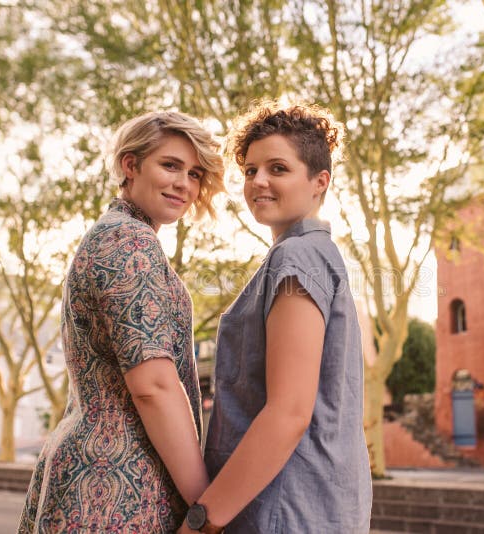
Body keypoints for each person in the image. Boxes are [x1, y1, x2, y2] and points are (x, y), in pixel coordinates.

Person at [17, 110, 225, 533]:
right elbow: (153, 386)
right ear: (130, 166)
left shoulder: (114, 234)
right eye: (170, 165)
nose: (184, 184)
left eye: (195, 174)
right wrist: (206, 513)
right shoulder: (130, 243)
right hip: (112, 487)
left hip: (100, 471)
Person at [180, 102, 372, 534]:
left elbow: (288, 413)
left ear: (319, 181)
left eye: (278, 168)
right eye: (250, 171)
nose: (258, 182)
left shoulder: (299, 257)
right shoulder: (312, 256)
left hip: (287, 510)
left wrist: (200, 522)